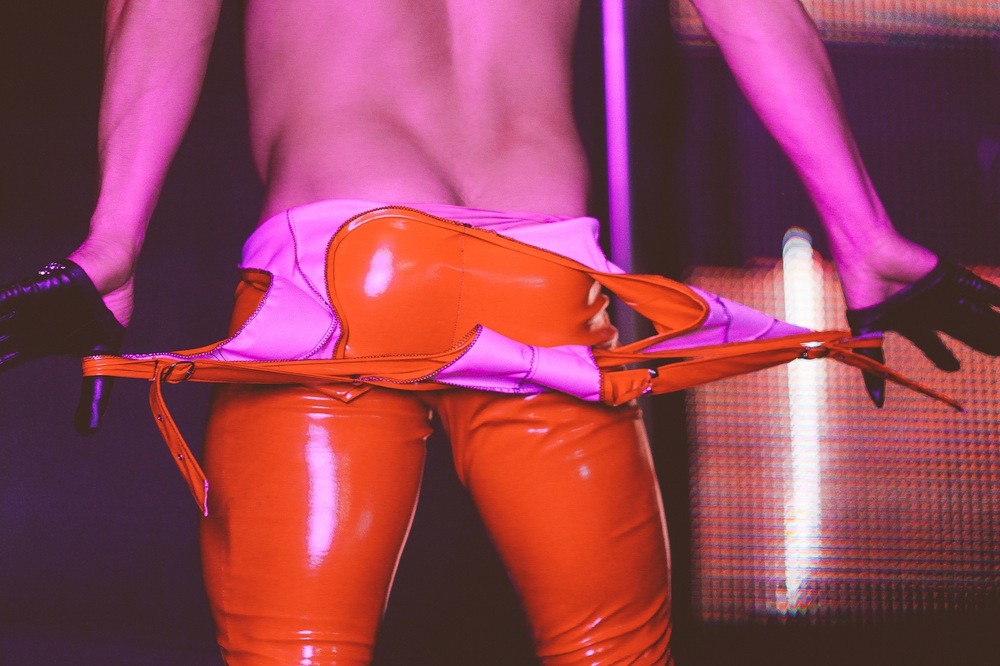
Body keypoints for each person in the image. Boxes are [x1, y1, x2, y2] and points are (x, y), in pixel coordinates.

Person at [1, 1, 997, 664]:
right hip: (544, 266)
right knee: (617, 654)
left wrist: (115, 235)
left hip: (346, 259)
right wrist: (863, 236)